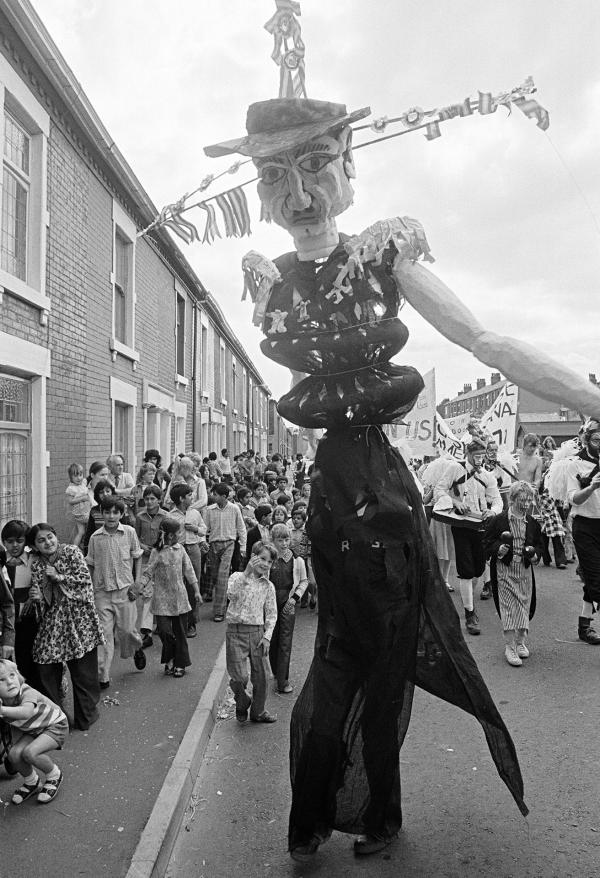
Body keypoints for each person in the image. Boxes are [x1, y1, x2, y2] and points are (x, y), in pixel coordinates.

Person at [203, 94, 600, 860]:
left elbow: (482, 338)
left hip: (376, 502)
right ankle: (345, 810)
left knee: (368, 668)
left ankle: (353, 814)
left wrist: (588, 396)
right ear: (262, 190)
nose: (304, 196)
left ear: (348, 164)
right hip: (341, 503)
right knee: (349, 671)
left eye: (316, 165)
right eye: (278, 176)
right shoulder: (278, 282)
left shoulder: (384, 256)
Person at [26, 523, 104, 730]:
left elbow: (85, 582)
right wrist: (37, 598)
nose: (47, 542)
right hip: (53, 622)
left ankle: (86, 716)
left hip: (79, 621)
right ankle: (57, 716)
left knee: (83, 672)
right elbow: (43, 602)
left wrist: (59, 577)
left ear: (56, 536)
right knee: (43, 663)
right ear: (35, 546)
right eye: (41, 540)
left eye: (50, 537)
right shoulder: (36, 565)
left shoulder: (71, 551)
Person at [434, 440, 502, 634]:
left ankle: (468, 598)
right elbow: (439, 490)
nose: (480, 459)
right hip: (461, 524)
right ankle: (470, 614)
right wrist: (455, 502)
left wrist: (493, 511)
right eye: (476, 455)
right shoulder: (455, 468)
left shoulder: (488, 476)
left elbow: (497, 499)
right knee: (466, 569)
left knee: (479, 569)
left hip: (482, 526)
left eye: (483, 455)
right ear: (468, 454)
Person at [85, 497, 146, 688]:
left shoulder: (129, 533)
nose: (111, 516)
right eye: (107, 512)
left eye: (115, 512)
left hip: (125, 592)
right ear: (101, 514)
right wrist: (92, 591)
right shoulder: (95, 537)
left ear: (121, 514)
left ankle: (136, 647)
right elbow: (91, 565)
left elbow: (137, 557)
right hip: (102, 594)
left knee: (126, 631)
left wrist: (137, 584)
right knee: (104, 635)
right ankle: (103, 676)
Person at [484, 482, 543, 666]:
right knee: (508, 608)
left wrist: (534, 555)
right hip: (504, 569)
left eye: (529, 500)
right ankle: (509, 646)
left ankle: (520, 642)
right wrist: (498, 548)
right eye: (522, 500)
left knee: (524, 606)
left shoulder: (532, 522)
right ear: (513, 499)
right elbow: (487, 542)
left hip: (524, 570)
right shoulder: (499, 520)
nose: (526, 504)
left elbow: (539, 544)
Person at [0, 659, 68, 804]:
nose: (10, 682)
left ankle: (54, 775)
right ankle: (32, 782)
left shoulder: (26, 691)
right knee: (14, 754)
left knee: (30, 753)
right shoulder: (3, 702)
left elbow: (26, 712)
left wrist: (2, 710)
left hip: (56, 724)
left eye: (12, 675)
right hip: (34, 729)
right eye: (1, 679)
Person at [138, 519, 200, 677]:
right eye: (179, 532)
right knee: (165, 632)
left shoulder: (181, 550)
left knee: (180, 632)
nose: (181, 535)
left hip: (179, 597)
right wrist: (140, 586)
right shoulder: (156, 552)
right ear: (171, 535)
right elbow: (148, 572)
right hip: (160, 597)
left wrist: (196, 591)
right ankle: (170, 657)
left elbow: (189, 571)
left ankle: (180, 664)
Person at [226, 542, 278, 724]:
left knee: (262, 676)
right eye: (262, 558)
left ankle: (258, 712)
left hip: (257, 633)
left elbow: (272, 614)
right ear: (253, 557)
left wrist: (267, 636)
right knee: (239, 676)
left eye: (270, 561)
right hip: (236, 632)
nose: (265, 564)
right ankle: (242, 702)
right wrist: (247, 573)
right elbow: (231, 595)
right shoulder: (237, 577)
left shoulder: (268, 586)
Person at [566, 419, 600, 644]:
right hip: (585, 526)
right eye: (597, 440)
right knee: (596, 577)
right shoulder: (574, 465)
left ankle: (584, 625)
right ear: (587, 439)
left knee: (594, 579)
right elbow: (573, 499)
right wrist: (592, 487)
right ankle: (585, 626)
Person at [1, 520, 42, 691]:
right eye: (9, 541)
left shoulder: (34, 560)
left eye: (19, 541)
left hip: (28, 619)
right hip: (7, 622)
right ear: (4, 542)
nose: (14, 546)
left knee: (28, 662)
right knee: (7, 664)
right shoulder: (2, 562)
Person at [268, 524, 308, 694]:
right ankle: (277, 672)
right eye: (280, 540)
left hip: (288, 602)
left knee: (285, 641)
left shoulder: (297, 560)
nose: (284, 543)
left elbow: (303, 581)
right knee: (272, 638)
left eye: (286, 539)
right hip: (270, 603)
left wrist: (295, 598)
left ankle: (283, 681)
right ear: (273, 541)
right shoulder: (269, 558)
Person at [166, 483, 207, 638]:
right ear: (181, 498)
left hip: (193, 549)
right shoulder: (170, 516)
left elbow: (204, 529)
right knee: (177, 584)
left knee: (193, 584)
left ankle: (191, 622)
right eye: (189, 495)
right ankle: (176, 620)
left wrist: (196, 530)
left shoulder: (195, 513)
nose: (192, 497)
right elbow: (166, 538)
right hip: (177, 551)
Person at [203, 483, 247, 622]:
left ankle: (219, 611)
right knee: (216, 577)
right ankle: (225, 600)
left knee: (223, 576)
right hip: (213, 545)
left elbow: (241, 528)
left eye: (215, 494)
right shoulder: (209, 510)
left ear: (223, 496)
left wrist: (243, 546)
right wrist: (202, 541)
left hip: (229, 544)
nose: (212, 496)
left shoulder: (234, 509)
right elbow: (204, 528)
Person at [134, 485, 169, 648]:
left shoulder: (165, 516)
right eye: (146, 498)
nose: (149, 501)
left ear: (159, 500)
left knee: (160, 592)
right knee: (146, 593)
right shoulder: (140, 517)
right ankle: (146, 631)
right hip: (146, 560)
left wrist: (158, 548)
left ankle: (160, 625)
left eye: (152, 498)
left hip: (161, 560)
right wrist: (142, 546)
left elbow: (169, 539)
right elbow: (135, 538)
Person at [65, 463, 92, 548]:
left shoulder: (83, 483)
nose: (79, 478)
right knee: (91, 526)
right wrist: (82, 499)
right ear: (70, 477)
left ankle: (75, 547)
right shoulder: (71, 489)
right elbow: (70, 501)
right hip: (80, 513)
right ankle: (77, 548)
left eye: (80, 475)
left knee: (81, 532)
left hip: (86, 510)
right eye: (76, 476)